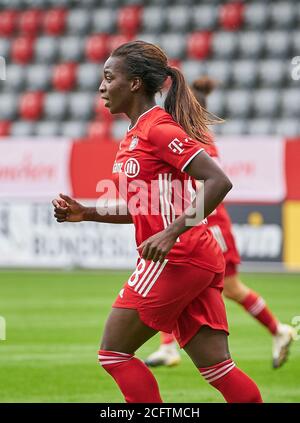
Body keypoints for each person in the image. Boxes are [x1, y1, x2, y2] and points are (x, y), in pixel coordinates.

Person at [52, 41, 262, 403]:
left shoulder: (158, 129)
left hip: (178, 257)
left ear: (134, 83)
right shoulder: (134, 135)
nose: (101, 87)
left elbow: (218, 181)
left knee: (114, 353)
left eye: (108, 77)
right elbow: (145, 207)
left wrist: (171, 232)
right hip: (194, 255)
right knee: (218, 369)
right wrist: (86, 213)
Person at [144, 76, 296, 370]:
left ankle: (278, 330)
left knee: (231, 288)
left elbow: (209, 183)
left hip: (211, 225)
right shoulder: (176, 134)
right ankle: (167, 347)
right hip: (192, 224)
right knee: (173, 275)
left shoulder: (199, 137)